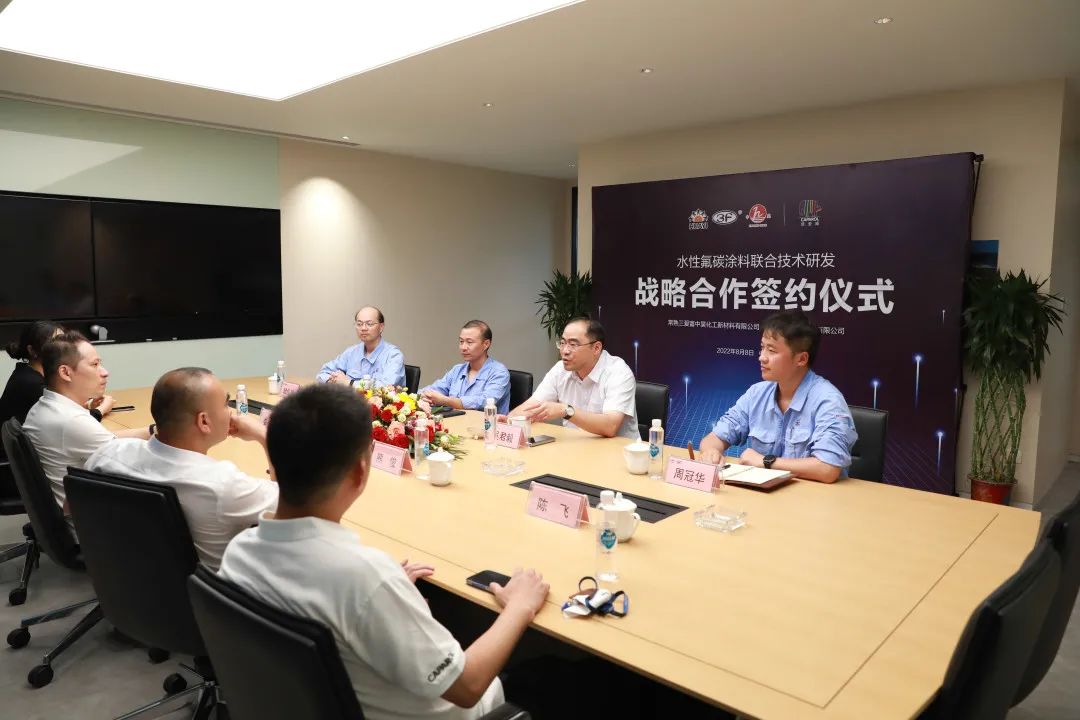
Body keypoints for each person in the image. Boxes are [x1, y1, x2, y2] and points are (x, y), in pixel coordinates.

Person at [219, 384, 549, 719]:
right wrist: (519, 607)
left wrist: (385, 588)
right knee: (549, 677)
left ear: (273, 466)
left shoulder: (239, 552)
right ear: (360, 471)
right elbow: (467, 686)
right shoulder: (364, 579)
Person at [86, 368, 278, 571]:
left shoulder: (108, 454)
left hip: (127, 576)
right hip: (214, 589)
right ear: (204, 421)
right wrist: (263, 435)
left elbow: (73, 508)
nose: (230, 412)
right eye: (226, 404)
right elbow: (292, 504)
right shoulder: (224, 484)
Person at [698, 310, 857, 483]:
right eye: (762, 348)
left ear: (801, 359)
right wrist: (711, 452)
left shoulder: (828, 400)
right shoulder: (757, 393)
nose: (761, 357)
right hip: (763, 495)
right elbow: (715, 437)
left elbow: (827, 469)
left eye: (771, 350)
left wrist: (766, 462)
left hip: (813, 498)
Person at [22, 331, 151, 515]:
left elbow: (108, 439)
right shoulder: (71, 421)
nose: (105, 372)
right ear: (65, 372)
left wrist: (151, 430)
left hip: (79, 508)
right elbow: (138, 465)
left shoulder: (47, 406)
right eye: (95, 364)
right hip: (93, 521)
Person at [508, 317, 638, 440]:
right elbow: (532, 406)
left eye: (573, 344)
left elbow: (610, 426)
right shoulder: (560, 369)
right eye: (562, 343)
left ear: (596, 348)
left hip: (617, 451)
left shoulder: (618, 372)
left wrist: (565, 410)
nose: (565, 351)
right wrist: (508, 420)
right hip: (574, 447)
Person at [420, 320, 510, 414]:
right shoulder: (457, 370)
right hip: (455, 421)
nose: (463, 347)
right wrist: (424, 396)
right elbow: (433, 389)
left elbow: (483, 402)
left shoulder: (499, 372)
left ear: (486, 344)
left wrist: (445, 400)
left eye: (469, 342)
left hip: (485, 422)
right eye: (461, 341)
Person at [317, 306, 406, 388]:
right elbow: (323, 373)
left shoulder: (393, 355)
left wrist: (349, 383)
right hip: (349, 400)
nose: (363, 328)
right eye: (359, 324)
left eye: (369, 324)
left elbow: (386, 387)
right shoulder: (351, 352)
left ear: (381, 327)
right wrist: (333, 381)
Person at [1, 321, 66, 428]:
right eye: (54, 343)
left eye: (64, 340)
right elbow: (67, 419)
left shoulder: (27, 372)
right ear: (32, 350)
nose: (64, 347)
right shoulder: (31, 383)